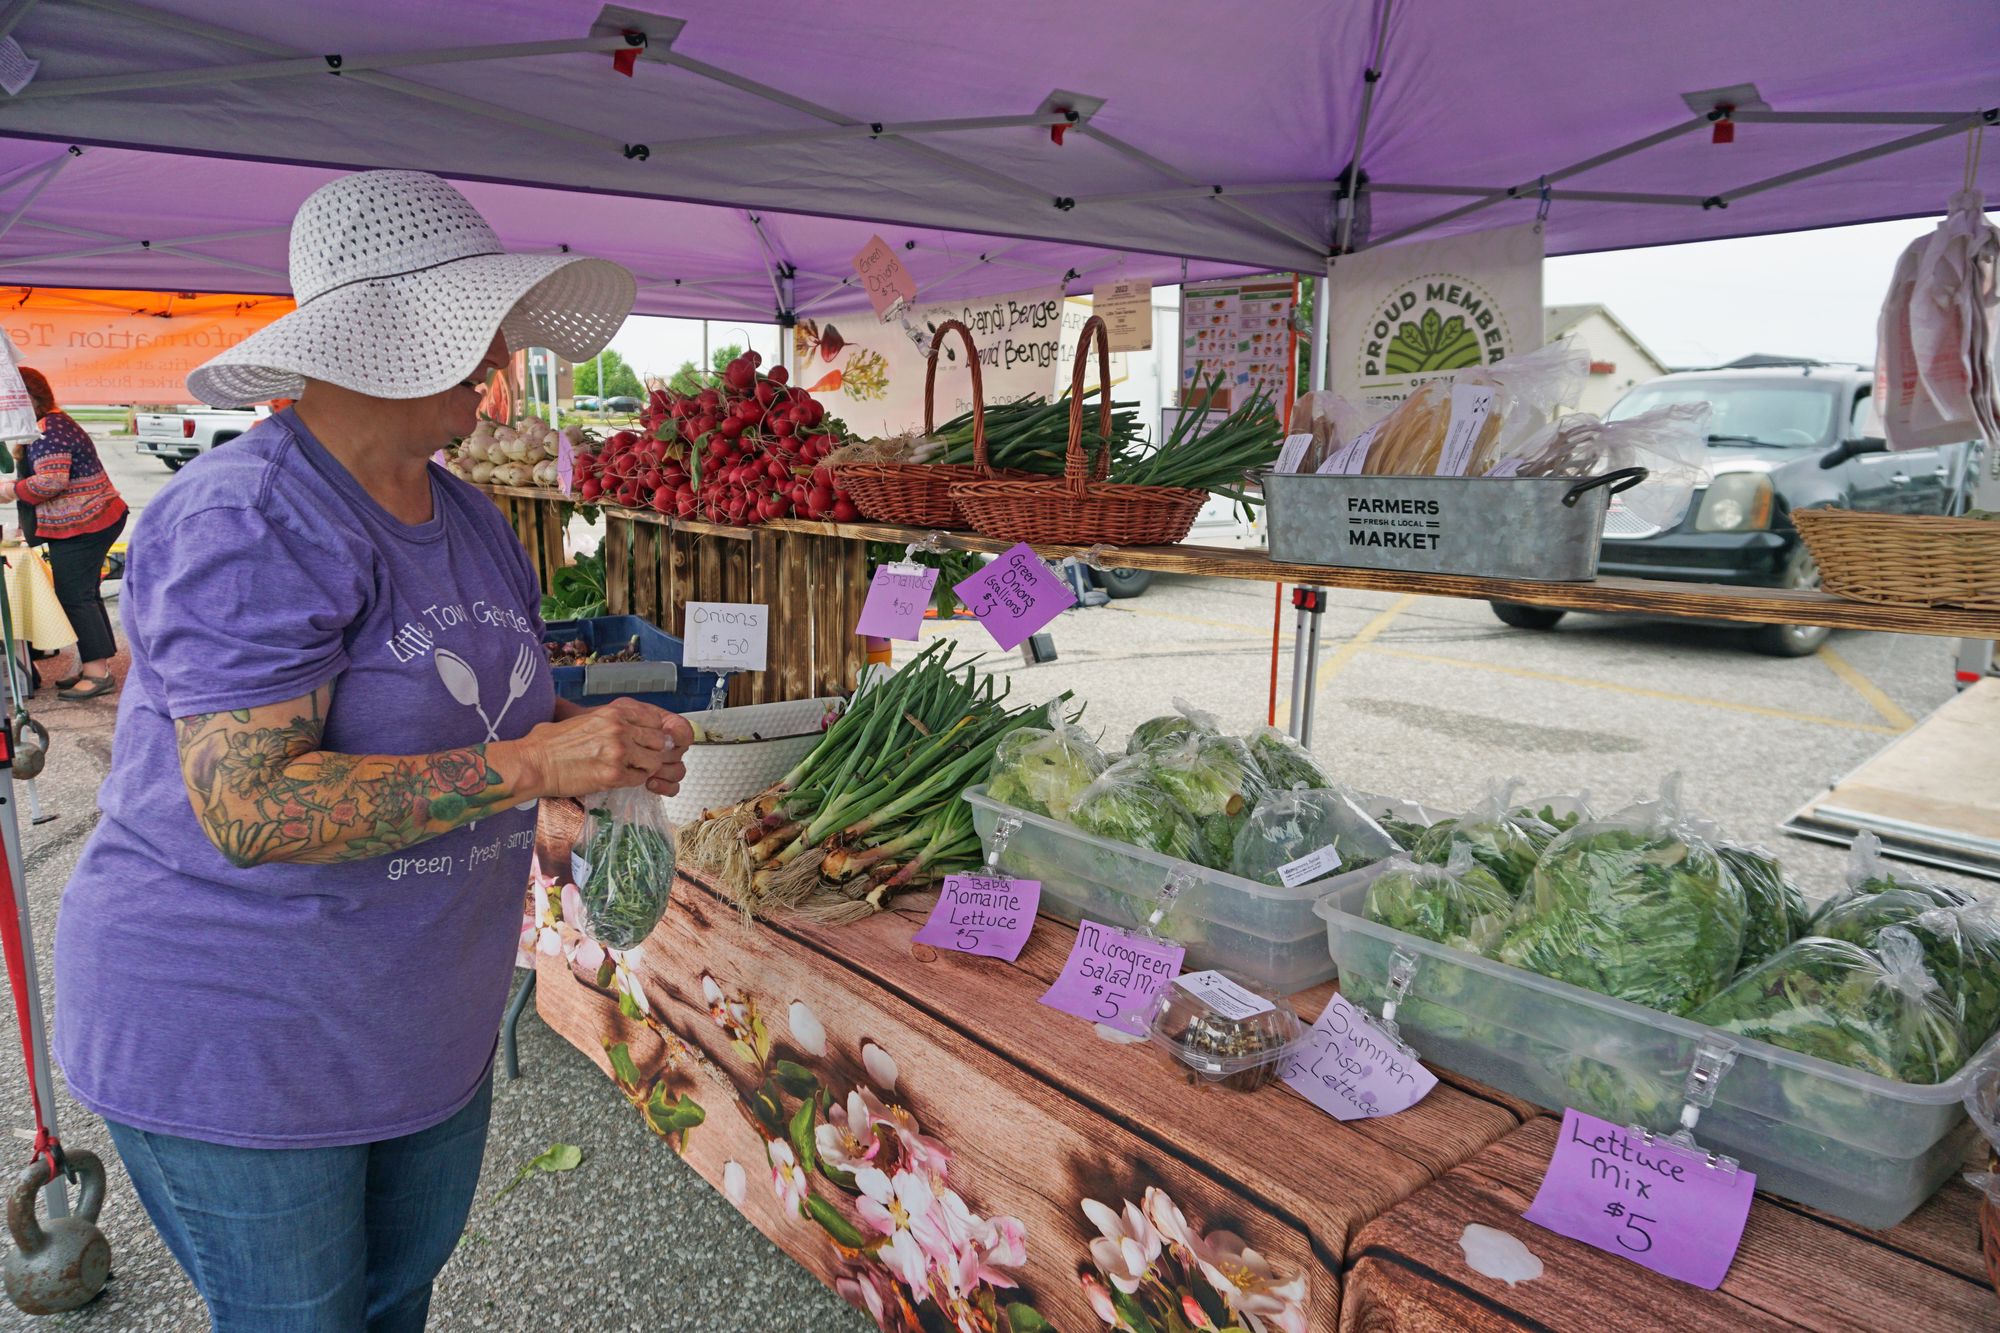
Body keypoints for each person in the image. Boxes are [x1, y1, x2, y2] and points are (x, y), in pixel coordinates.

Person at [52, 170, 688, 1333]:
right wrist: (541, 766)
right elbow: (250, 808)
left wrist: (600, 752)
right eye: (473, 324)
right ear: (374, 340)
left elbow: (485, 733)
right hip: (245, 1038)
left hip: (412, 1027)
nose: (498, 349)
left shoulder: (472, 515)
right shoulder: (249, 516)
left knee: (393, 1307)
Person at [0, 367, 127, 700]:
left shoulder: (50, 428)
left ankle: (97, 675)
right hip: (87, 520)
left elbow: (51, 481)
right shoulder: (49, 424)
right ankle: (95, 667)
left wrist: (10, 489)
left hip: (86, 523)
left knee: (76, 596)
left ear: (28, 397)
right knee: (85, 593)